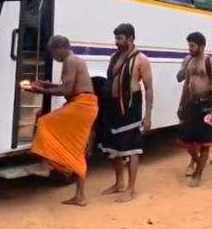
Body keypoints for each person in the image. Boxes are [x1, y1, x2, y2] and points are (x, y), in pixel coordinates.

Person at [21, 35, 98, 206]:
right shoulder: (75, 60)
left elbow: (67, 89)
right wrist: (46, 85)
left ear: (60, 49)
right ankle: (80, 196)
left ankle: (47, 162)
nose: (53, 57)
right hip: (85, 106)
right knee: (76, 149)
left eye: (53, 53)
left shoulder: (70, 61)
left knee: (45, 122)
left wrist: (39, 91)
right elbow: (67, 87)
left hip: (82, 106)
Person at [98, 23, 153, 202]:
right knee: (113, 147)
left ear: (130, 39)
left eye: (120, 38)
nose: (116, 42)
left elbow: (149, 88)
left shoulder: (141, 59)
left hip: (130, 108)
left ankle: (130, 188)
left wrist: (148, 116)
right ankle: (119, 183)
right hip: (112, 107)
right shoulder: (114, 57)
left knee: (132, 148)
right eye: (115, 38)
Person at [176, 32, 212, 186]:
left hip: (205, 104)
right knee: (186, 141)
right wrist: (181, 104)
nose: (190, 48)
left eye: (193, 46)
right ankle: (198, 163)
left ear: (201, 46)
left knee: (204, 142)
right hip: (191, 104)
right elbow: (185, 84)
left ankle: (198, 174)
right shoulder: (189, 61)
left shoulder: (210, 62)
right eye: (189, 45)